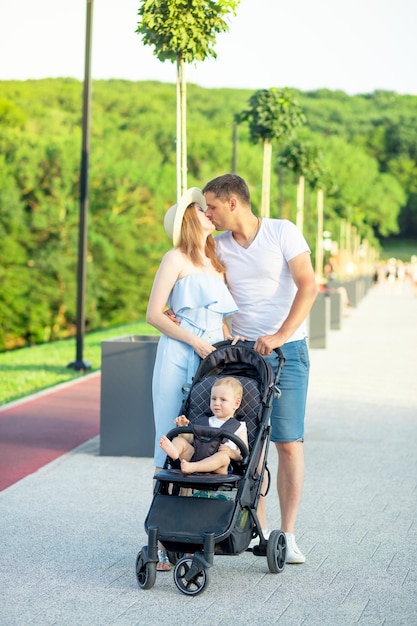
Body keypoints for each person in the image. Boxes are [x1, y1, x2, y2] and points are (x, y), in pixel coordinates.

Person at [202, 174, 318, 564]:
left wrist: (282, 334)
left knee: (288, 442)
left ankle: (289, 533)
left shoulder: (282, 232)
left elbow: (308, 285)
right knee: (252, 448)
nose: (209, 213)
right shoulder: (217, 246)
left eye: (213, 206)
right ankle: (263, 533)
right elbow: (208, 292)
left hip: (287, 352)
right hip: (244, 359)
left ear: (233, 202)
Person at [146, 187, 238, 570]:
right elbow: (153, 314)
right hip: (179, 352)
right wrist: (194, 341)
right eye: (200, 208)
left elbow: (222, 316)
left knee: (202, 438)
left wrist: (227, 342)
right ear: (187, 217)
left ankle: (190, 532)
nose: (207, 211)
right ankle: (160, 541)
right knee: (171, 439)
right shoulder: (174, 258)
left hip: (211, 357)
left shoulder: (216, 262)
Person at [159, 376, 247, 474]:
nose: (217, 403)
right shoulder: (203, 421)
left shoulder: (239, 427)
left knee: (223, 457)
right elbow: (190, 440)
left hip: (219, 468)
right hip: (195, 457)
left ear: (236, 403)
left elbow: (243, 454)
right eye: (213, 399)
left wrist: (231, 452)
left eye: (223, 400)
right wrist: (183, 428)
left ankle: (193, 467)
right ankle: (175, 452)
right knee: (179, 440)